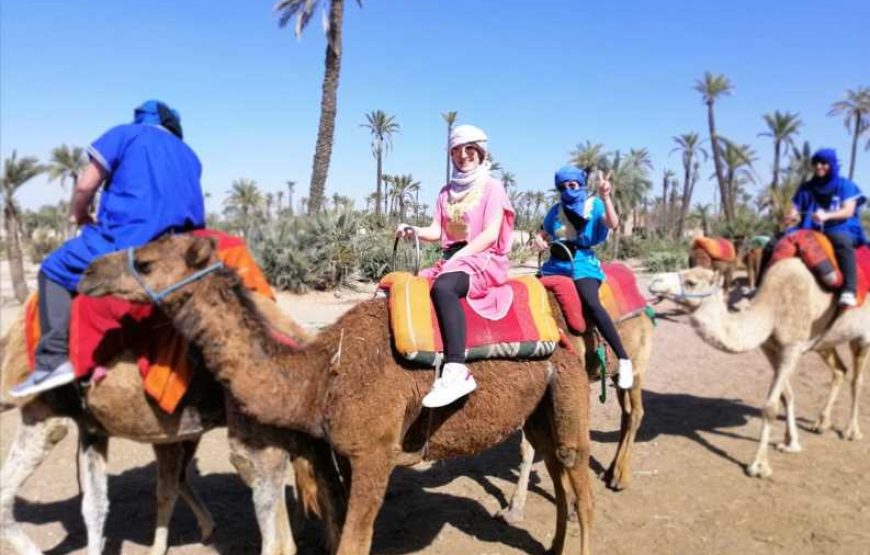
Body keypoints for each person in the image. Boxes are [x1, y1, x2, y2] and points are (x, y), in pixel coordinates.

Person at [11, 100, 205, 397]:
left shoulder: (125, 134)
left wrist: (79, 214)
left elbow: (86, 185)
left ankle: (52, 361)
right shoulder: (190, 155)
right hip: (179, 248)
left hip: (127, 241)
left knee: (52, 268)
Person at [396, 124, 515, 408]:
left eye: (469, 149)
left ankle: (457, 369)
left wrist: (460, 259)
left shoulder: (492, 187)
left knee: (445, 287)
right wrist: (412, 229)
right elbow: (438, 231)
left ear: (480, 151)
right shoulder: (445, 192)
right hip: (452, 258)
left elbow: (489, 235)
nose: (463, 155)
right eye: (456, 150)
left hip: (483, 258)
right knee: (405, 285)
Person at [534, 165, 634, 389]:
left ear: (581, 185)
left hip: (582, 264)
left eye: (573, 185)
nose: (568, 190)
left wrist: (606, 197)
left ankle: (624, 359)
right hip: (555, 264)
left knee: (591, 302)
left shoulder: (594, 205)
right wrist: (539, 239)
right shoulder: (556, 210)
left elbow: (613, 224)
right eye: (563, 187)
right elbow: (543, 231)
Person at [784, 148, 866, 307]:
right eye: (816, 163)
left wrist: (826, 216)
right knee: (776, 242)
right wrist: (791, 217)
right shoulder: (806, 188)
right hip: (810, 226)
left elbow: (848, 211)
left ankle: (849, 290)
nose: (819, 166)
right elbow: (795, 209)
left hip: (840, 225)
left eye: (824, 163)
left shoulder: (845, 185)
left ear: (832, 165)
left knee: (841, 242)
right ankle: (760, 286)